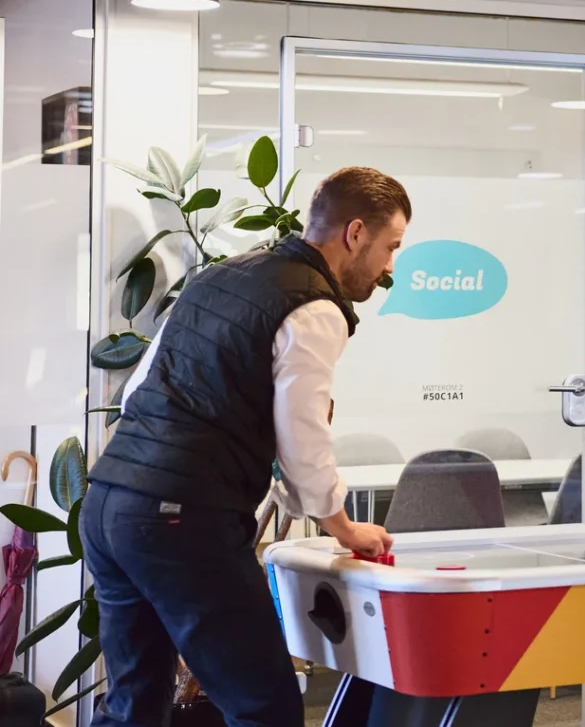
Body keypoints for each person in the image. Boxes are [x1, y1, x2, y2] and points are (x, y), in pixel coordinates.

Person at [83, 167, 412, 727]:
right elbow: (303, 434)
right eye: (390, 248)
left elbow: (140, 387)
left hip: (110, 502)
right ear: (355, 233)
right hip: (179, 519)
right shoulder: (315, 307)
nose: (388, 268)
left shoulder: (221, 275)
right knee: (266, 707)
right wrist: (345, 528)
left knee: (133, 704)